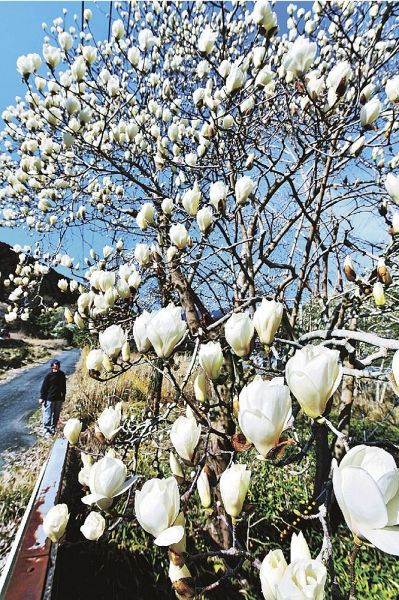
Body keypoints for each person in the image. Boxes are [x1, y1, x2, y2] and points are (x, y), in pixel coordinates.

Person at [39, 359, 66, 437]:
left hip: (58, 399)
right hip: (49, 399)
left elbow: (64, 387)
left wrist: (63, 396)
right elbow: (44, 388)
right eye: (55, 366)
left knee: (56, 415)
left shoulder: (62, 375)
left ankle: (53, 428)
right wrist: (42, 398)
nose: (56, 367)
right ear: (51, 367)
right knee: (48, 415)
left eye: (57, 365)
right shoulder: (48, 376)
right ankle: (46, 430)